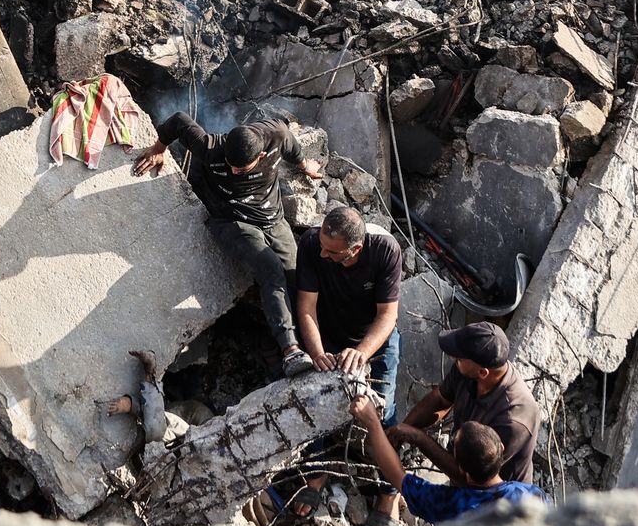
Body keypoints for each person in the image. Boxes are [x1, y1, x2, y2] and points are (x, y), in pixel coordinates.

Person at [135, 115, 324, 377]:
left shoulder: (276, 135)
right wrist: (159, 148)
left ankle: (279, 344)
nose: (234, 172)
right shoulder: (211, 147)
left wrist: (305, 165)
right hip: (231, 221)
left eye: (241, 169)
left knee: (295, 278)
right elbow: (178, 122)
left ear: (261, 155)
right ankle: (290, 351)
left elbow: (291, 145)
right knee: (269, 268)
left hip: (272, 219)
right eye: (231, 166)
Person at [351, 393, 545, 525]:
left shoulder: (455, 506)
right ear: (501, 447)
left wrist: (372, 422)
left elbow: (398, 477)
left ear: (462, 471)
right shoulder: (533, 495)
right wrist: (418, 437)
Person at [393, 322, 540, 485]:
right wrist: (400, 432)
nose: (454, 359)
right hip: (466, 472)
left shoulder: (513, 419)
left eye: (459, 358)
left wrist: (418, 438)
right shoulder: (468, 369)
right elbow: (440, 399)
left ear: (483, 373)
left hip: (493, 495)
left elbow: (469, 478)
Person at [295, 206, 402, 416]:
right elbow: (306, 306)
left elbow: (388, 315)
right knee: (321, 408)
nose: (322, 253)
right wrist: (317, 354)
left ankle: (387, 435)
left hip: (375, 333)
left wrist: (361, 353)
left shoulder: (385, 249)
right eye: (322, 246)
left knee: (383, 406)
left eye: (332, 252)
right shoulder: (311, 242)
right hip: (329, 330)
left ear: (356, 248)